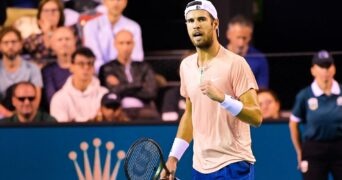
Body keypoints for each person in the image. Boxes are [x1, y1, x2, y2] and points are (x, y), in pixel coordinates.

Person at [161, 1, 262, 179]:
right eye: (191, 21)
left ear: (215, 24)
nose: (196, 25)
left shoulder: (236, 63)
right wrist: (173, 158)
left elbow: (256, 117)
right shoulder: (186, 66)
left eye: (201, 19)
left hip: (234, 163)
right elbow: (190, 115)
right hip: (200, 166)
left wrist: (224, 99)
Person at [289, 50, 342, 180]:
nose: (325, 70)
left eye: (328, 66)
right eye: (321, 66)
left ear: (334, 69)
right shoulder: (304, 95)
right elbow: (293, 123)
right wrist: (299, 151)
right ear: (313, 70)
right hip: (314, 149)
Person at [99, 29, 159, 120]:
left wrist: (121, 85)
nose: (125, 47)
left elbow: (151, 92)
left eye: (128, 43)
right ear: (115, 44)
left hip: (144, 108)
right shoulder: (107, 68)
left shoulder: (144, 67)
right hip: (118, 108)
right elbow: (113, 92)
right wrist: (139, 85)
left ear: (133, 44)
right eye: (121, 43)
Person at [83, 0, 144, 72]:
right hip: (98, 74)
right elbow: (93, 56)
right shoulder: (91, 26)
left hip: (126, 76)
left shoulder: (133, 27)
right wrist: (106, 73)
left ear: (125, 3)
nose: (116, 3)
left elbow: (137, 57)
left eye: (119, 0)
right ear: (105, 2)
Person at [50, 47, 108, 122]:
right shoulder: (59, 98)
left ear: (94, 68)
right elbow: (61, 131)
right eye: (81, 64)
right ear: (71, 67)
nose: (86, 67)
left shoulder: (104, 94)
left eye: (90, 64)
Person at [0, 26, 43, 118]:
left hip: (28, 115)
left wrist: (20, 118)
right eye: (6, 42)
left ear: (21, 44)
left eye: (14, 42)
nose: (10, 46)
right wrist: (10, 116)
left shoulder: (32, 68)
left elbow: (36, 98)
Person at [226, 15, 269, 89]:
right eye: (238, 37)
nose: (241, 43)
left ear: (250, 37)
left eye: (244, 38)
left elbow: (262, 90)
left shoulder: (259, 59)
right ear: (228, 35)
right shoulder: (218, 56)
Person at [41, 27, 76, 109]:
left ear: (74, 42)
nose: (64, 43)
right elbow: (51, 98)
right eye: (60, 40)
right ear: (52, 45)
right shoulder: (47, 71)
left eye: (67, 39)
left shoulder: (83, 67)